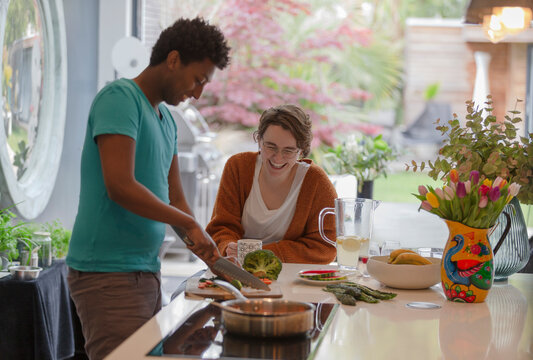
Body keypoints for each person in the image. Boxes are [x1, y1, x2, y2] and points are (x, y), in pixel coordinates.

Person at [65, 17, 230, 360]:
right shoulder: (120, 98)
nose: (198, 92)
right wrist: (188, 225)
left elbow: (175, 198)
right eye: (197, 79)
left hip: (146, 272)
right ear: (173, 60)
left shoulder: (166, 120)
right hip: (107, 274)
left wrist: (207, 251)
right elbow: (120, 186)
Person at [206, 105, 337, 264]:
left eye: (288, 151)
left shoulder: (316, 182)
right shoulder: (238, 167)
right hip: (237, 267)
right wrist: (227, 246)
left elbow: (326, 247)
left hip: (291, 275)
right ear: (259, 140)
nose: (277, 158)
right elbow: (221, 227)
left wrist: (263, 253)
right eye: (270, 147)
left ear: (301, 151)